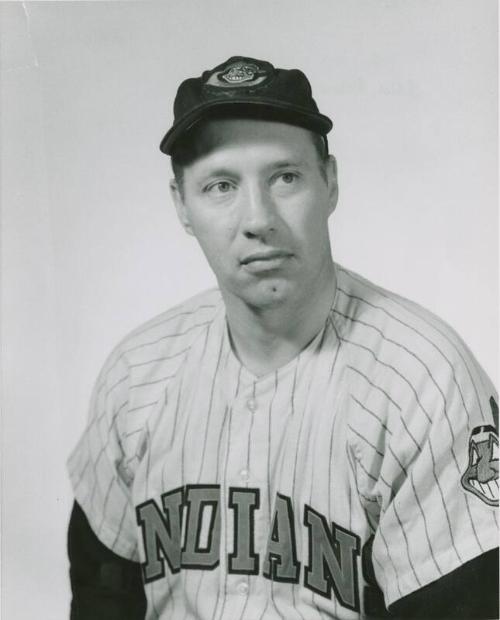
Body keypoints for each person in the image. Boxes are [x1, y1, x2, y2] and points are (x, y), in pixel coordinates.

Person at [67, 56, 498, 620]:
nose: (258, 218)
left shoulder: (423, 380)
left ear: (331, 182)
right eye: (220, 186)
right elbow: (102, 595)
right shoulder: (138, 374)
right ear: (182, 206)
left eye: (285, 177)